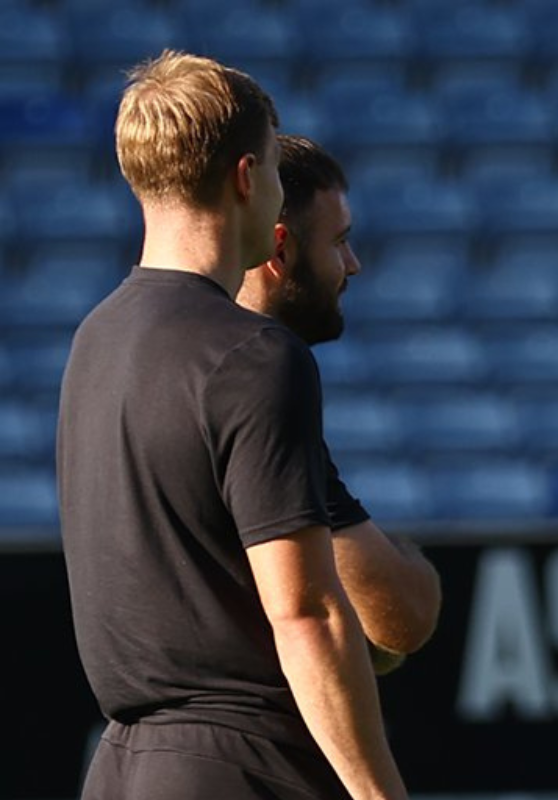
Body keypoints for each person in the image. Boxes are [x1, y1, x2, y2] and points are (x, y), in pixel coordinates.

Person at [57, 51, 411, 800]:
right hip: (243, 768)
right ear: (248, 179)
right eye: (280, 178)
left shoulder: (94, 339)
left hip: (120, 767)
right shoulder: (255, 356)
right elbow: (307, 615)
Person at [235, 132, 441, 673]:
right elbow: (401, 613)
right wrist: (404, 560)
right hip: (247, 747)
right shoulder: (260, 374)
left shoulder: (115, 343)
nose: (352, 264)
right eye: (339, 241)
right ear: (280, 248)